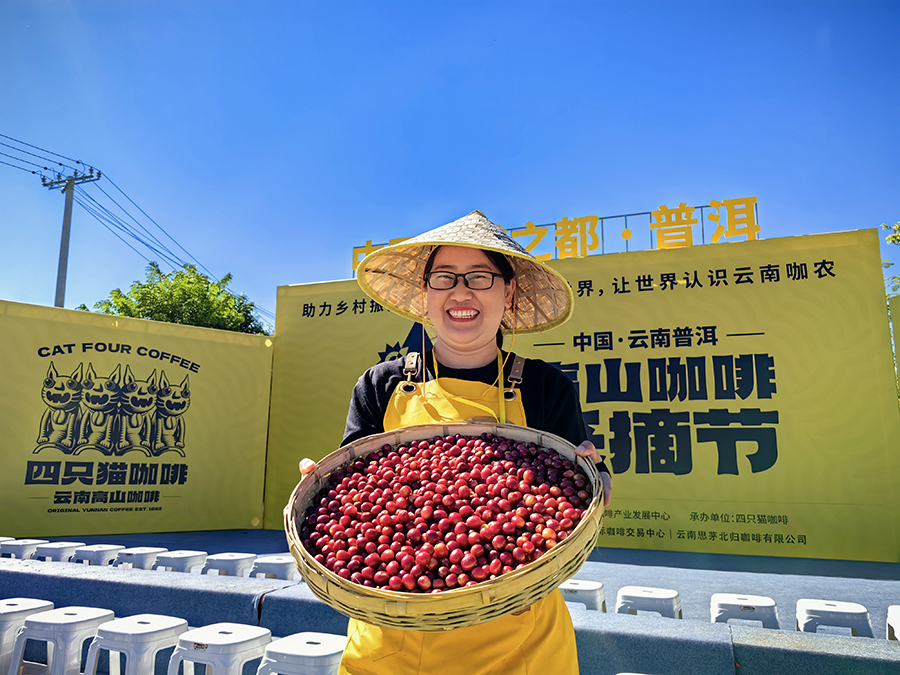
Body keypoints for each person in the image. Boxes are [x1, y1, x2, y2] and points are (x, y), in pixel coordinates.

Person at [298, 210, 612, 675]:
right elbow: (355, 481)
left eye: (480, 277)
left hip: (518, 642)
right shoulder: (382, 384)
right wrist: (322, 486)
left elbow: (582, 486)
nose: (461, 292)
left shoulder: (545, 386)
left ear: (508, 294)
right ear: (425, 296)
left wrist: (597, 479)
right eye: (444, 277)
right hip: (391, 640)